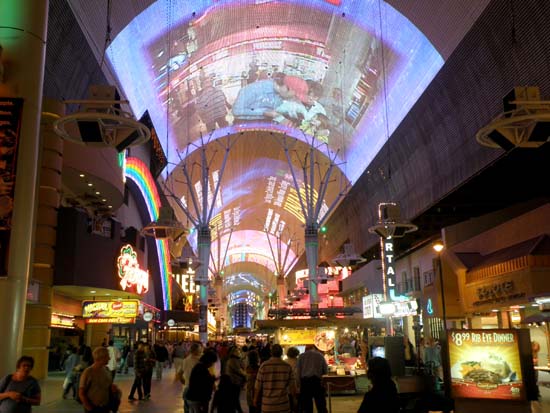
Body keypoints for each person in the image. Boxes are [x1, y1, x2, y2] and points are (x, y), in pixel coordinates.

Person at [232, 75, 308, 123]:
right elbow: (236, 111)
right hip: (243, 125)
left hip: (263, 125)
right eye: (294, 96)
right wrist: (263, 112)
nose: (293, 99)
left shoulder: (280, 95)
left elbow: (275, 111)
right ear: (287, 88)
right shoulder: (253, 89)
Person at [254, 344, 296, 413]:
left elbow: (258, 385)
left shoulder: (264, 366)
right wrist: (294, 399)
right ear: (282, 353)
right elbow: (292, 386)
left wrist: (255, 399)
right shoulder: (287, 366)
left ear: (271, 353)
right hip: (283, 404)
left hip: (267, 405)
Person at [79, 347, 121, 413]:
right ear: (101, 358)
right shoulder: (88, 372)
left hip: (105, 407)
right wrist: (89, 408)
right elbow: (81, 393)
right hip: (93, 407)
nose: (109, 358)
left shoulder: (107, 370)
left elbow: (108, 386)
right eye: (107, 356)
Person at [296, 344, 328, 413]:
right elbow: (325, 370)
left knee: (307, 407)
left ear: (305, 349)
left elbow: (298, 372)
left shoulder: (301, 357)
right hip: (317, 382)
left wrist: (298, 385)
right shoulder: (320, 356)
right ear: (313, 348)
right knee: (321, 405)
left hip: (305, 383)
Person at [224, 346, 247, 413]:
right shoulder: (233, 360)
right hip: (233, 382)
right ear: (233, 352)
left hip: (236, 382)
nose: (239, 352)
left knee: (234, 398)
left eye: (239, 351)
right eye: (237, 351)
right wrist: (246, 375)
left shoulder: (237, 359)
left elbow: (243, 368)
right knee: (235, 398)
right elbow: (239, 370)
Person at [182, 342, 202, 413]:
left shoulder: (185, 360)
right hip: (197, 389)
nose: (201, 351)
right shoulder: (200, 361)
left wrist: (185, 381)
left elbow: (180, 374)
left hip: (187, 387)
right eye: (200, 349)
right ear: (196, 350)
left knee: (187, 408)